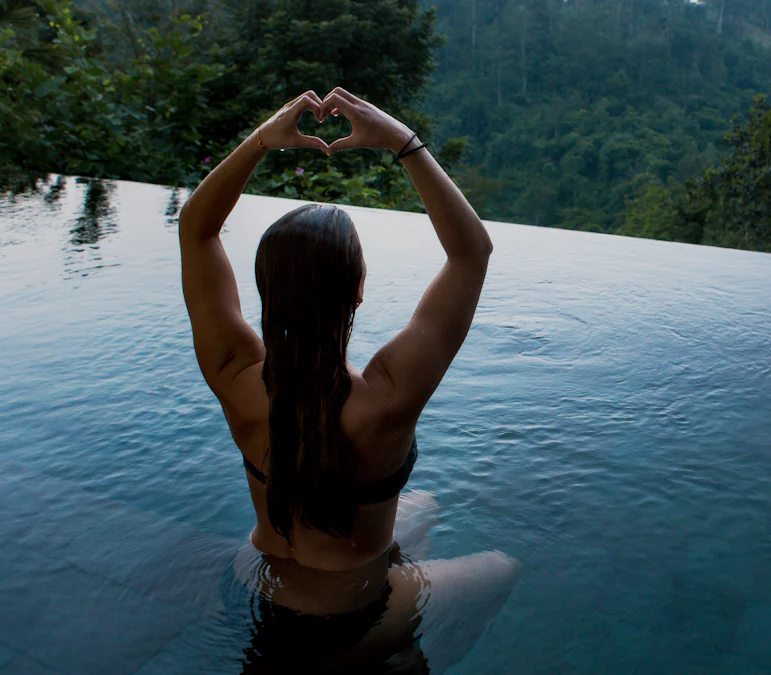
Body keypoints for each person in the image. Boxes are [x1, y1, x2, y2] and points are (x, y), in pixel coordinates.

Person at [179, 87, 521, 672]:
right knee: (503, 569)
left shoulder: (235, 373)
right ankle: (376, 655)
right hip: (350, 613)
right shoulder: (388, 395)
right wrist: (402, 142)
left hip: (253, 581)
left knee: (426, 507)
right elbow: (472, 253)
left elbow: (196, 229)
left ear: (265, 292)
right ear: (358, 291)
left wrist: (263, 140)